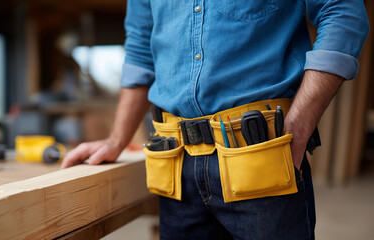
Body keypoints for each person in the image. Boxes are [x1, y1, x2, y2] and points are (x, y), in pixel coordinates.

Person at [61, 1, 369, 239]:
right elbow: (141, 48)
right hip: (176, 164)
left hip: (262, 156)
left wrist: (298, 127)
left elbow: (344, 15)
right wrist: (117, 139)